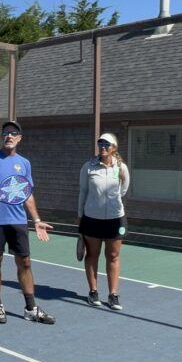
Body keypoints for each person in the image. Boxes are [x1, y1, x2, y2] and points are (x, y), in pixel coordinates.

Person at [0, 120, 56, 325]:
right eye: (6, 133)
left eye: (13, 133)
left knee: (25, 262)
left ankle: (30, 308)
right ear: (2, 137)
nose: (9, 136)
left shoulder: (24, 163)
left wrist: (36, 219)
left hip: (18, 221)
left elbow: (27, 193)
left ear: (19, 138)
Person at [77, 132, 131, 310]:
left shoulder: (121, 168)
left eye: (106, 144)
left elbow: (123, 191)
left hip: (116, 220)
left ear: (114, 148)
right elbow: (83, 192)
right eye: (100, 143)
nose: (102, 147)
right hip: (91, 219)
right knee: (92, 255)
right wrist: (80, 216)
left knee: (113, 256)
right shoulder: (88, 167)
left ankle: (113, 295)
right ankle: (93, 292)